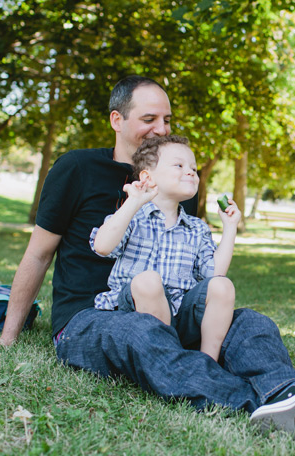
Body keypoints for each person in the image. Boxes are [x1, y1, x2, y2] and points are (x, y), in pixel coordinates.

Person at [0, 75, 295, 444]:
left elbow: (199, 273)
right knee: (141, 334)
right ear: (117, 120)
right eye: (149, 119)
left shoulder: (176, 188)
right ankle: (256, 403)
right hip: (91, 318)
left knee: (250, 323)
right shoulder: (77, 168)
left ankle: (292, 391)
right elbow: (39, 253)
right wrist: (7, 336)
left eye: (167, 121)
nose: (162, 128)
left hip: (169, 311)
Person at [90, 134, 240, 362]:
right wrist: (133, 201)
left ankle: (206, 362)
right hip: (135, 315)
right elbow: (102, 246)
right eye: (179, 165)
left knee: (223, 285)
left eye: (193, 168)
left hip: (180, 315)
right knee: (148, 281)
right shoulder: (132, 216)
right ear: (147, 177)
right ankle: (167, 361)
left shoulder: (197, 228)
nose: (191, 172)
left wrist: (230, 227)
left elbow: (213, 275)